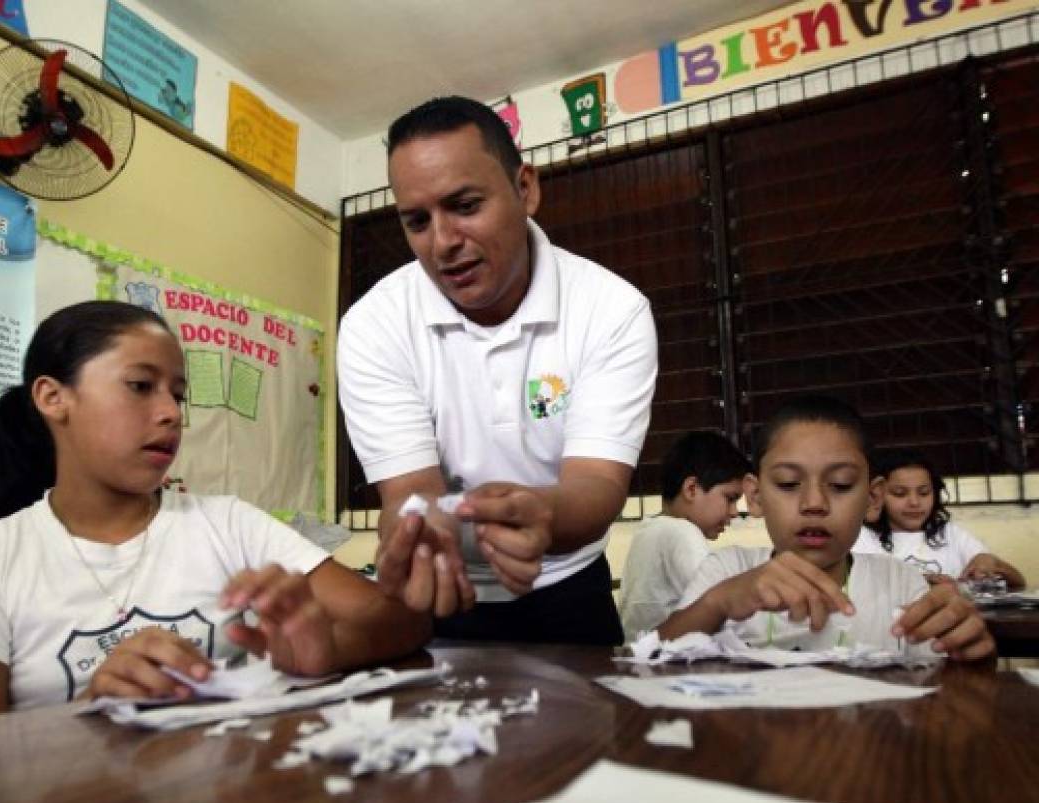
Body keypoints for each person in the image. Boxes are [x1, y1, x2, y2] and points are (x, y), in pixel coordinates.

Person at [0, 301, 429, 723]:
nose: (169, 414)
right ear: (53, 398)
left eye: (178, 395)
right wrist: (89, 711)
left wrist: (320, 650)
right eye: (140, 387)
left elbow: (400, 624)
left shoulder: (228, 525)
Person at [337, 96, 658, 645]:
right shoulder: (375, 324)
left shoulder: (611, 309)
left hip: (570, 584)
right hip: (446, 590)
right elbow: (408, 491)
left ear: (525, 189)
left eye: (464, 205)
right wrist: (415, 531)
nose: (443, 243)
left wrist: (541, 515)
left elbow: (598, 484)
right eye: (417, 221)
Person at [658, 396, 995, 660]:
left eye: (840, 484)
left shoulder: (900, 584)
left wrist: (969, 652)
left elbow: (942, 682)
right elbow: (650, 658)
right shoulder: (727, 571)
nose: (814, 503)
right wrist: (716, 605)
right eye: (789, 484)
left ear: (872, 500)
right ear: (756, 496)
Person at [618, 431, 751, 640]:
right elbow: (720, 604)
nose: (734, 512)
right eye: (730, 498)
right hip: (671, 661)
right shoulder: (681, 532)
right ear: (691, 489)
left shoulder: (648, 530)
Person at [854, 448, 1025, 588]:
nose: (914, 502)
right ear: (877, 495)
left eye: (924, 493)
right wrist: (919, 582)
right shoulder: (863, 537)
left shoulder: (950, 534)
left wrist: (990, 561)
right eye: (900, 493)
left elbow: (1019, 581)